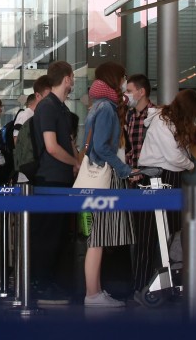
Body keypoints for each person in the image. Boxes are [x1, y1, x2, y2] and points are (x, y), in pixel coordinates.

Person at [133, 88, 196, 304]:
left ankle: (164, 283)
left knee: (166, 236)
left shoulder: (166, 121)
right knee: (152, 237)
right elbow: (173, 156)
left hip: (160, 178)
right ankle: (143, 286)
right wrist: (191, 165)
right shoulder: (164, 123)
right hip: (160, 178)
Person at [81, 62, 135, 308]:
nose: (125, 81)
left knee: (98, 239)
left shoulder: (99, 105)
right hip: (106, 179)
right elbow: (102, 147)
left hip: (100, 177)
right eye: (123, 77)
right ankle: (92, 294)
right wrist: (124, 169)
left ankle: (95, 292)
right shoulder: (106, 108)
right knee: (98, 239)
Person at [29, 63, 78, 303]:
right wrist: (74, 163)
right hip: (50, 178)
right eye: (72, 77)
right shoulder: (48, 107)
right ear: (67, 79)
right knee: (47, 235)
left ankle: (49, 282)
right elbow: (51, 147)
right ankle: (41, 284)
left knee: (56, 234)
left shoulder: (61, 109)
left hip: (60, 179)